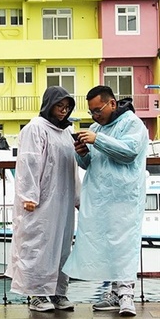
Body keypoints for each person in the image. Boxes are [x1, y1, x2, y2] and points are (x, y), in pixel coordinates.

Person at [63, 85, 148, 317]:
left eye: (98, 110)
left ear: (112, 103)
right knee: (107, 245)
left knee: (124, 244)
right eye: (91, 112)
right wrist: (81, 151)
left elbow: (129, 152)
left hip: (124, 196)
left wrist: (97, 139)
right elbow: (89, 163)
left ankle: (126, 294)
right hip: (100, 197)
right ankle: (113, 291)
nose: (95, 116)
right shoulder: (95, 128)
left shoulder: (132, 124)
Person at [5, 86, 80, 312]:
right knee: (38, 244)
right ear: (49, 104)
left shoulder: (67, 131)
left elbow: (72, 165)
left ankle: (58, 292)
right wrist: (29, 195)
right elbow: (29, 162)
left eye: (67, 107)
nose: (63, 111)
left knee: (62, 246)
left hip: (63, 200)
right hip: (41, 201)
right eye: (60, 106)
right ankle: (37, 294)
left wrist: (77, 196)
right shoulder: (35, 128)